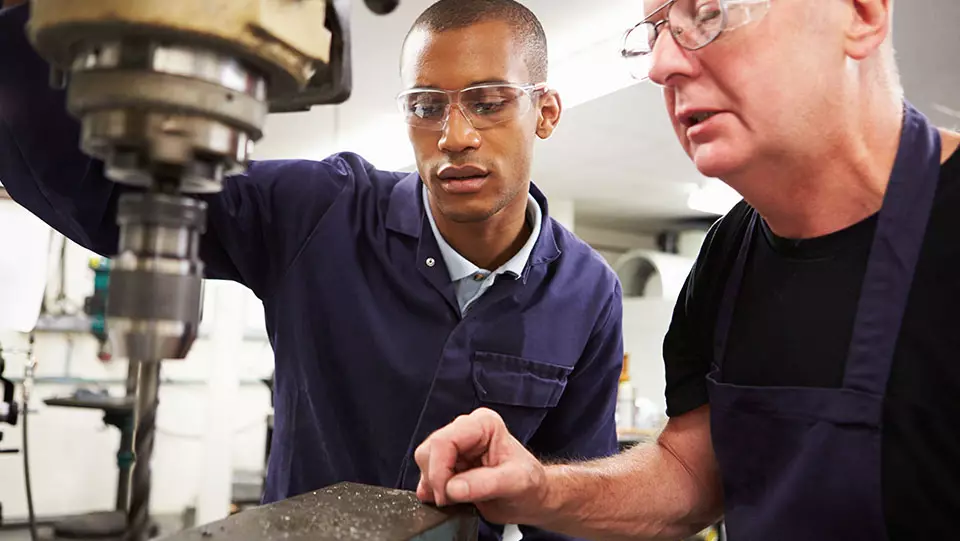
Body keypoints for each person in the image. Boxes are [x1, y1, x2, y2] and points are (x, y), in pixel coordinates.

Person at [0, 1, 625, 540]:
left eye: (488, 103)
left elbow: (571, 506)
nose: (454, 136)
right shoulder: (319, 212)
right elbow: (108, 202)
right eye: (426, 106)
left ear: (544, 112)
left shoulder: (588, 294)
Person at [414, 0, 960, 539]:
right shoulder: (729, 254)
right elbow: (690, 473)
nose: (660, 65)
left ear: (861, 15)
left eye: (708, 13)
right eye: (657, 33)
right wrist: (539, 490)